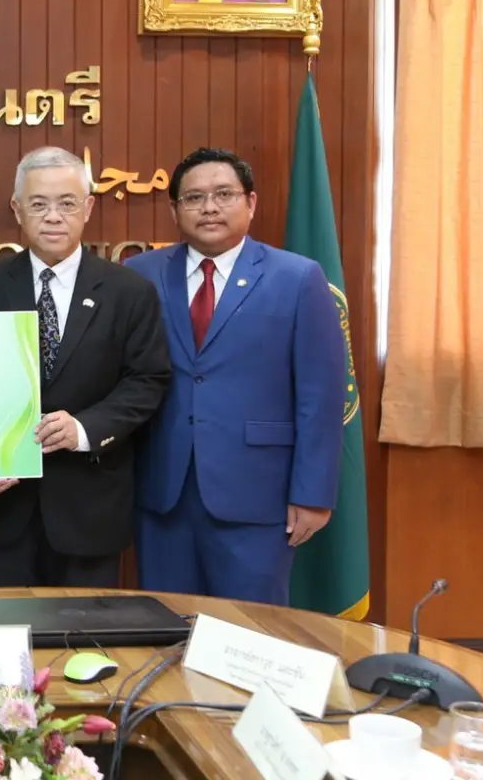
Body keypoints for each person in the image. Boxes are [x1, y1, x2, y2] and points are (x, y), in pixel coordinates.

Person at [126, 147, 345, 606]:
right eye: (194, 198)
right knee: (167, 623)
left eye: (224, 194)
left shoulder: (298, 278)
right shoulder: (140, 275)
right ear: (175, 210)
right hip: (163, 491)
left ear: (251, 202)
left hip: (258, 494)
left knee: (251, 630)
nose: (209, 207)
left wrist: (313, 494)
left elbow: (320, 395)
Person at [0, 147, 171, 588]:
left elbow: (147, 379)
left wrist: (85, 428)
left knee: (83, 629)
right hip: (1, 507)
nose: (53, 216)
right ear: (17, 209)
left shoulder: (129, 291)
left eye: (67, 203)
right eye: (38, 204)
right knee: (1, 626)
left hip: (90, 507)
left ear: (88, 208)